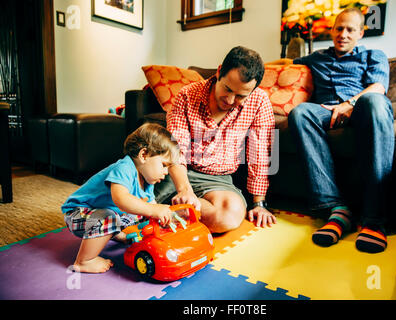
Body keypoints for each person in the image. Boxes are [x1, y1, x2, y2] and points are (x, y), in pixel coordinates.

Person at [271, 8, 393, 253]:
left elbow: (379, 87)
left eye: (350, 29)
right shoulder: (317, 57)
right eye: (339, 28)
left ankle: (373, 219)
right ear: (332, 30)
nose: (343, 34)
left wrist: (349, 104)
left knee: (375, 102)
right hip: (326, 111)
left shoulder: (373, 55)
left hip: (361, 108)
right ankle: (337, 209)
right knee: (301, 112)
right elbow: (286, 65)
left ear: (360, 33)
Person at [155, 46, 277, 233]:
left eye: (240, 96)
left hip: (218, 181)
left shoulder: (260, 102)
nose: (229, 100)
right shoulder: (187, 95)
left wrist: (259, 203)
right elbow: (175, 148)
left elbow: (259, 155)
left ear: (253, 90)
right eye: (227, 89)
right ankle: (155, 209)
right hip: (177, 171)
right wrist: (184, 190)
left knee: (229, 215)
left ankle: (156, 213)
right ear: (219, 71)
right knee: (121, 195)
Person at [61, 123, 179, 273]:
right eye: (164, 165)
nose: (166, 172)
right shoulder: (124, 168)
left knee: (140, 214)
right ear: (144, 155)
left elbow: (149, 210)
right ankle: (84, 261)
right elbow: (121, 200)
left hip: (100, 214)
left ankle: (116, 234)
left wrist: (167, 219)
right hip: (78, 213)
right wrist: (153, 209)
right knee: (110, 216)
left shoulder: (148, 182)